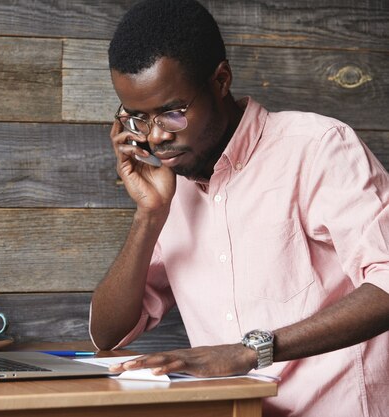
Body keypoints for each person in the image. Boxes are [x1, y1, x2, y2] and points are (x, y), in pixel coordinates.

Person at [88, 0, 389, 416]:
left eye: (172, 113)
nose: (155, 138)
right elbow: (107, 334)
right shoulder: (169, 190)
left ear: (221, 80)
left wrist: (250, 352)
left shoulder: (317, 148)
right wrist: (149, 215)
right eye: (137, 118)